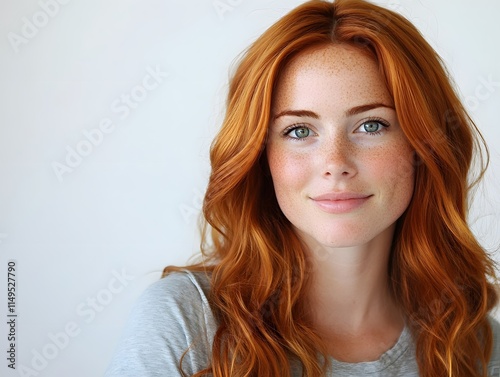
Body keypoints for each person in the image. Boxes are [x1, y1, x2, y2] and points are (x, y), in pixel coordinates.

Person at [105, 0, 500, 376]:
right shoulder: (186, 322)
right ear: (262, 157)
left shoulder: (479, 346)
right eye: (298, 131)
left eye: (371, 125)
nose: (335, 164)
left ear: (425, 145)